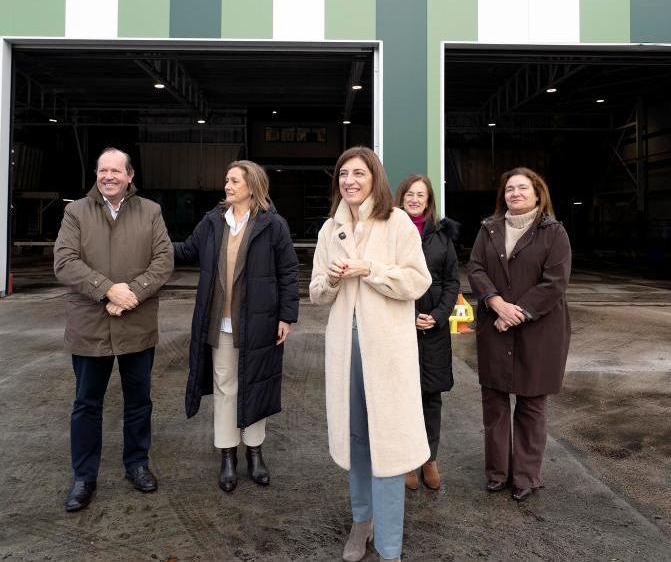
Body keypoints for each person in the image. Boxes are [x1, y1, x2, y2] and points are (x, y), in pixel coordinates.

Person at [310, 146, 431, 562]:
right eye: (343, 174)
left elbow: (417, 281)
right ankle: (362, 522)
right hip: (347, 352)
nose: (350, 181)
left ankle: (390, 544)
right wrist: (329, 279)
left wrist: (370, 270)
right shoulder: (330, 230)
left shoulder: (397, 224)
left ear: (374, 177)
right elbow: (316, 295)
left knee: (389, 444)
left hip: (388, 355)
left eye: (358, 173)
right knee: (357, 439)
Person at [53, 147, 174, 512]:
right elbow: (64, 261)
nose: (108, 176)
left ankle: (136, 464)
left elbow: (164, 260)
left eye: (115, 171)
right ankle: (83, 476)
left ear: (130, 176)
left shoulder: (150, 211)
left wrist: (130, 293)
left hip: (135, 323)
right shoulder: (75, 211)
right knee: (86, 404)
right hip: (89, 325)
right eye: (102, 170)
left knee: (139, 402)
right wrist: (107, 288)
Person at [171, 160, 299, 492]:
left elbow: (288, 272)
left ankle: (255, 453)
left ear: (253, 187)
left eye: (234, 182)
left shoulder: (273, 226)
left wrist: (287, 316)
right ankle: (228, 455)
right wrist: (152, 245)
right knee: (226, 387)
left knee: (255, 385)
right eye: (226, 181)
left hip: (259, 323)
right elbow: (185, 251)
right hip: (221, 323)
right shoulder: (213, 222)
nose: (227, 186)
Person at [467, 167, 571, 503]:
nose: (515, 193)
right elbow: (476, 268)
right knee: (494, 404)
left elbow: (554, 283)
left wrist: (516, 314)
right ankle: (497, 473)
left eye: (523, 188)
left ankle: (527, 476)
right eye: (510, 188)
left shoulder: (553, 232)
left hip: (538, 330)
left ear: (538, 194)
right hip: (495, 325)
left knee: (531, 405)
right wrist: (495, 302)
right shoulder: (489, 229)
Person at [394, 174, 460, 491]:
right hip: (399, 327)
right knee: (403, 397)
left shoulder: (441, 236)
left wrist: (437, 316)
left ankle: (429, 458)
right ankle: (407, 461)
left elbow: (452, 283)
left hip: (433, 330)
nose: (415, 199)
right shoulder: (390, 231)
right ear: (402, 197)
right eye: (410, 193)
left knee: (430, 398)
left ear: (429, 199)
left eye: (421, 194)